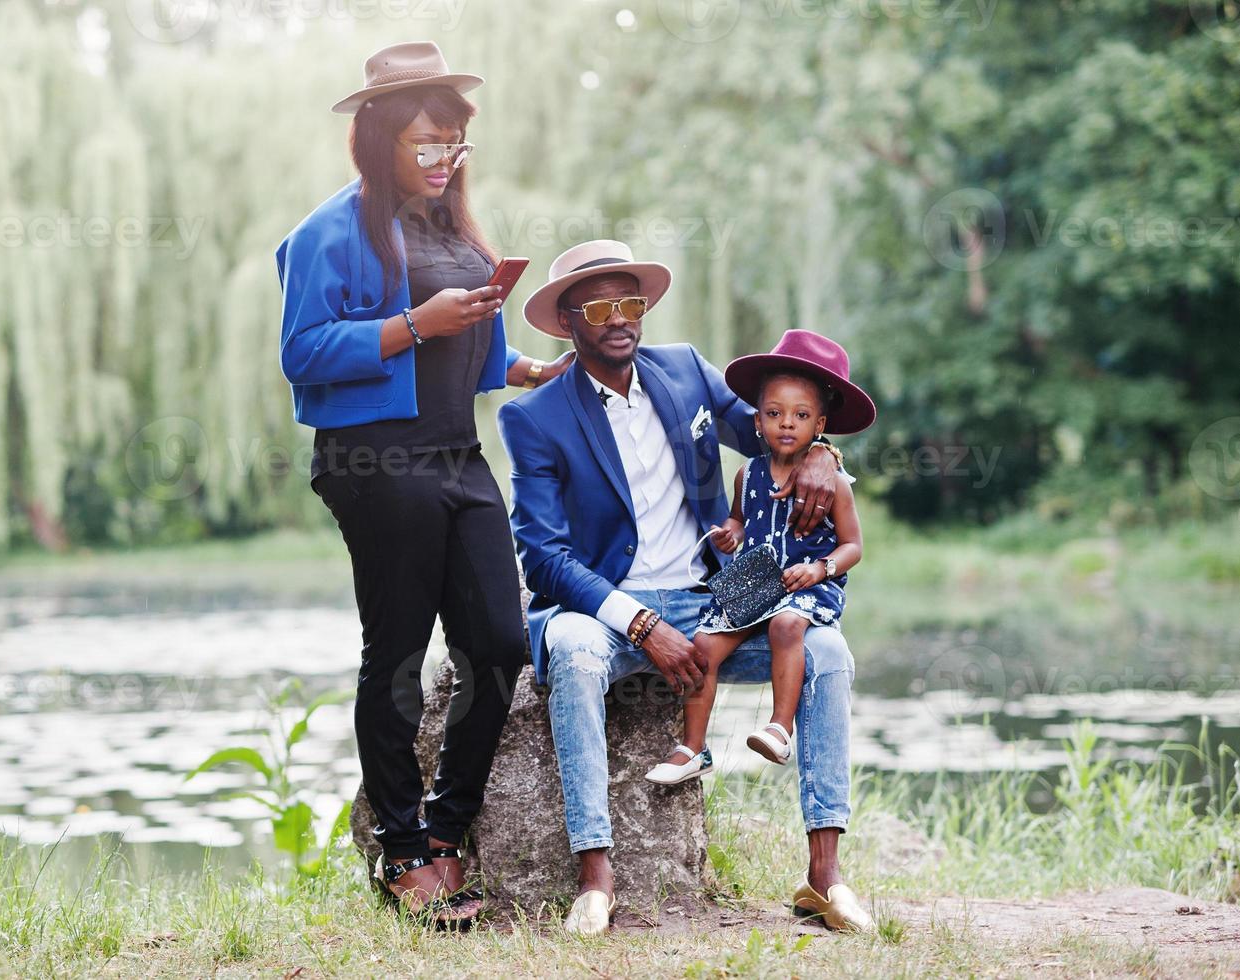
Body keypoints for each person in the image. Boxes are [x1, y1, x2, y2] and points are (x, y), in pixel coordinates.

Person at [275, 41, 572, 929]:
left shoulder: (450, 228)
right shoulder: (328, 230)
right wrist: (412, 323)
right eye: (429, 143)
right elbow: (301, 351)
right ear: (378, 138)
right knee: (397, 653)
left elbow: (462, 338)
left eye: (457, 144)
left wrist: (514, 365)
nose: (446, 160)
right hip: (374, 463)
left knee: (498, 640)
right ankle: (401, 852)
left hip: (455, 456)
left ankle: (446, 830)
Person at [497, 241, 869, 936]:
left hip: (710, 599)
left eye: (630, 302)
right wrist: (639, 624)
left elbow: (775, 434)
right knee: (575, 654)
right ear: (566, 323)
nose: (620, 319)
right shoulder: (533, 418)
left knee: (825, 652)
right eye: (600, 306)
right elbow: (542, 556)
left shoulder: (687, 373)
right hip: (601, 607)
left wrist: (823, 453)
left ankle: (824, 877)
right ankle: (595, 877)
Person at [645, 331, 872, 786]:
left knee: (786, 626)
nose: (786, 424)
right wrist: (729, 534)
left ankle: (779, 727)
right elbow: (739, 520)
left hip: (805, 580)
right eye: (774, 414)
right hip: (755, 579)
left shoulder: (836, 485)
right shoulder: (747, 473)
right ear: (756, 423)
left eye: (801, 416)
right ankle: (693, 748)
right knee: (704, 645)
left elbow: (853, 547)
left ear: (819, 425)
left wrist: (821, 567)